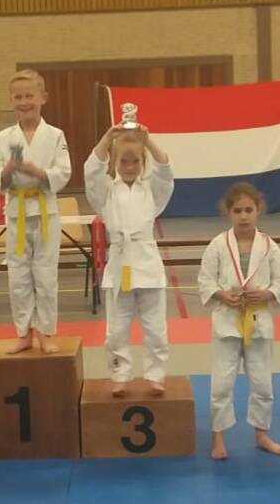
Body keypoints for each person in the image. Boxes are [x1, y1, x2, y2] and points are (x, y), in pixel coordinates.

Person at [198, 182, 280, 459]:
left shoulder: (269, 246)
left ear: (258, 209)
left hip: (259, 321)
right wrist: (221, 294)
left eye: (249, 210)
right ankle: (218, 439)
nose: (244, 216)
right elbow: (205, 279)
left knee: (262, 383)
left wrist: (267, 293)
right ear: (228, 212)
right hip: (227, 321)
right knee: (221, 385)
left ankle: (262, 434)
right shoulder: (218, 244)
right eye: (237, 210)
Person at [84, 124, 173, 397]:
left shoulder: (152, 191)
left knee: (155, 328)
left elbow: (165, 170)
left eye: (136, 161)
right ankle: (119, 375)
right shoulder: (107, 192)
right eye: (124, 161)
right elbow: (91, 171)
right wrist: (107, 138)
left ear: (143, 161)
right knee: (116, 329)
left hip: (147, 263)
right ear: (115, 162)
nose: (130, 166)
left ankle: (156, 375)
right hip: (119, 263)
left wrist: (148, 140)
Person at [0, 69, 72, 354]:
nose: (24, 102)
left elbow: (64, 171)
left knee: (45, 276)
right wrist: (8, 171)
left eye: (29, 96)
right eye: (18, 97)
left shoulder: (55, 135)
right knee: (19, 276)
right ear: (11, 100)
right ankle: (23, 333)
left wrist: (39, 172)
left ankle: (46, 333)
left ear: (43, 97)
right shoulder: (4, 137)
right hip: (17, 211)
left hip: (46, 211)